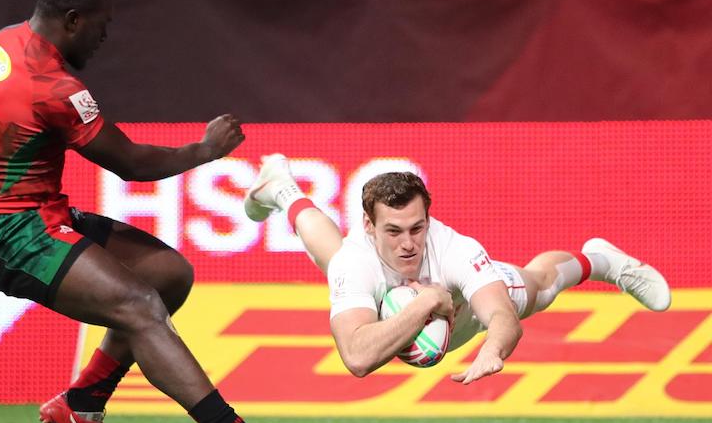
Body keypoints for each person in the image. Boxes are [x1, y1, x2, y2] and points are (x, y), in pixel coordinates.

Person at [0, 0, 309, 423]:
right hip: (8, 232)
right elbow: (131, 164)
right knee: (140, 305)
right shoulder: (56, 88)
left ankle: (82, 405)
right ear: (73, 20)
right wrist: (204, 150)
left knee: (168, 274)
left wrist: (3, 162)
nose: (104, 37)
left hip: (35, 215)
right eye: (101, 25)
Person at [243, 154, 672, 381]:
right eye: (393, 231)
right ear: (369, 226)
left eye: (417, 228)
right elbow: (356, 358)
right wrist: (427, 299)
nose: (408, 244)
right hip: (414, 307)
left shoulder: (454, 248)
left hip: (464, 315)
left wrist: (494, 348)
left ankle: (601, 261)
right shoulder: (357, 258)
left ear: (429, 220)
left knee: (538, 287)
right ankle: (280, 187)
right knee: (331, 256)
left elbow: (502, 316)